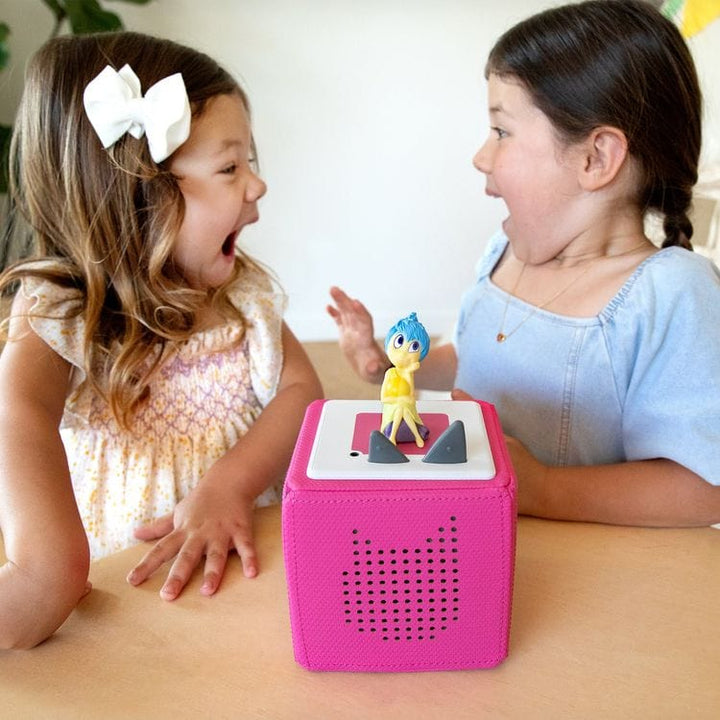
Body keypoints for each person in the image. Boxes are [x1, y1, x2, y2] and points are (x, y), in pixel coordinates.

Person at [328, 0, 720, 528]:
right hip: (468, 535)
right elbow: (476, 354)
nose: (480, 156)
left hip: (571, 561)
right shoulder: (503, 251)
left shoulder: (671, 293)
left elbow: (703, 489)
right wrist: (387, 365)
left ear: (596, 158)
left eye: (502, 131)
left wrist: (541, 487)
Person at [0, 31, 322, 649]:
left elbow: (302, 391)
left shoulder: (241, 294)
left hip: (251, 577)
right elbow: (19, 410)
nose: (257, 185)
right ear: (138, 196)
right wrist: (43, 569)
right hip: (131, 602)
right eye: (230, 168)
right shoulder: (59, 315)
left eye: (249, 162)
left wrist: (229, 484)